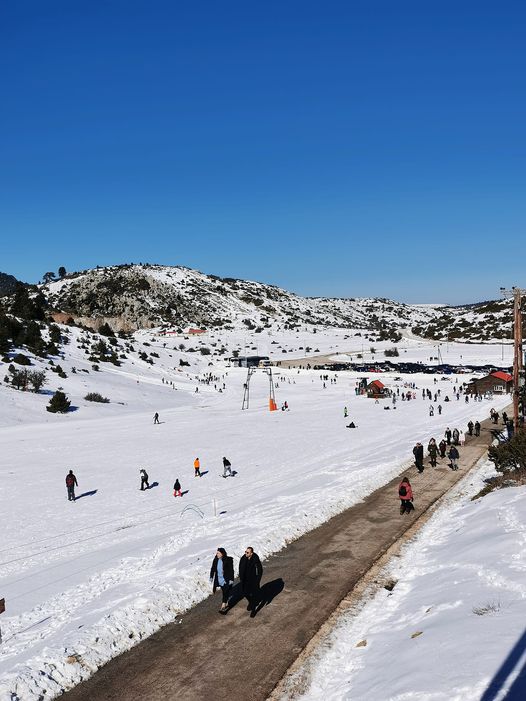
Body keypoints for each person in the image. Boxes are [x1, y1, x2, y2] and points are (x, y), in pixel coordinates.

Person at [239, 547, 263, 616]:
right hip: (245, 579)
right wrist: (241, 577)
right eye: (245, 552)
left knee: (254, 594)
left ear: (251, 553)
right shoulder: (243, 559)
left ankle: (253, 610)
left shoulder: (255, 559)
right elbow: (240, 567)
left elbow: (260, 570)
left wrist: (258, 579)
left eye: (247, 552)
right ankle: (251, 602)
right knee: (245, 593)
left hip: (253, 579)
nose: (245, 553)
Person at [210, 548, 235, 613]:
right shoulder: (216, 560)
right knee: (224, 591)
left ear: (222, 554)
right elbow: (213, 569)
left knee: (225, 591)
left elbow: (231, 570)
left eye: (218, 553)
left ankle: (223, 606)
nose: (217, 554)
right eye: (217, 553)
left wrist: (231, 579)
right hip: (219, 579)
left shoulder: (228, 560)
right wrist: (211, 577)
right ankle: (226, 603)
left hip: (226, 579)